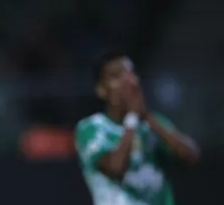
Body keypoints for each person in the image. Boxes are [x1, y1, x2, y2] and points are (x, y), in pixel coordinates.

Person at [75, 50, 200, 205]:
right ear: (101, 90)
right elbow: (115, 168)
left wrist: (147, 117)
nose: (127, 81)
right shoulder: (92, 128)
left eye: (130, 73)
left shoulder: (153, 124)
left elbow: (190, 156)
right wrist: (132, 118)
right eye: (116, 76)